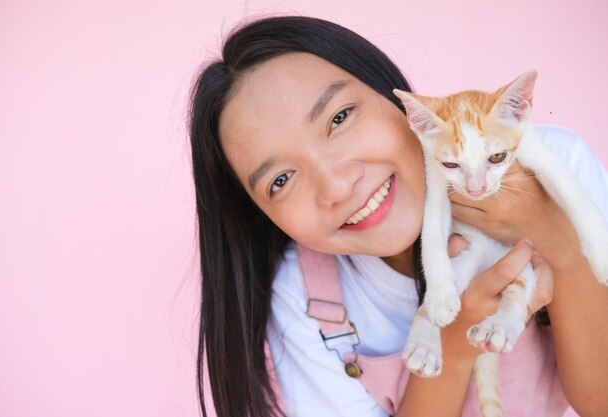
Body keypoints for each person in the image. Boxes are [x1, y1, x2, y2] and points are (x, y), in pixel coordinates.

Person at [188, 15, 608, 417]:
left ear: (400, 104)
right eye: (280, 179)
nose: (337, 185)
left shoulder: (556, 169)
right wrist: (455, 342)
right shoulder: (304, 300)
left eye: (338, 117)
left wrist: (560, 244)